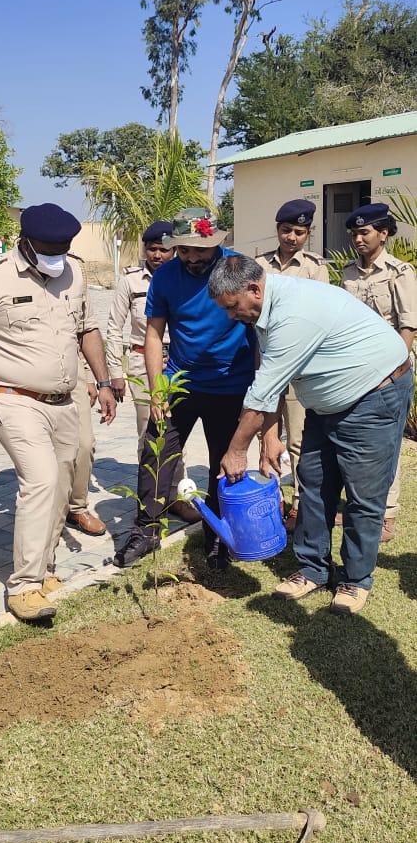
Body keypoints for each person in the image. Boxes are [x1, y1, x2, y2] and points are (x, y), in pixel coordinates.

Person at [208, 254, 413, 614]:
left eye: (232, 306)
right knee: (313, 483)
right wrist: (270, 436)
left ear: (254, 288)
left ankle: (355, 578)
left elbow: (262, 393)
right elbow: (268, 375)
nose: (230, 315)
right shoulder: (264, 307)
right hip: (327, 404)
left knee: (364, 494)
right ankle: (313, 568)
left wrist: (236, 451)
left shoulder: (293, 312)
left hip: (373, 395)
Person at [0, 203, 116, 622]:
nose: (57, 255)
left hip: (63, 400)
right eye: (50, 248)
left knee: (60, 486)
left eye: (64, 247)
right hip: (12, 397)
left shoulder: (73, 271)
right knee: (41, 481)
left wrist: (105, 380)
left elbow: (88, 328)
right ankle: (24, 586)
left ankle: (44, 570)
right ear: (26, 240)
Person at [113, 208, 256, 570]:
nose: (191, 258)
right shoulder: (165, 278)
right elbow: (153, 334)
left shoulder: (239, 270)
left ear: (215, 244)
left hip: (230, 384)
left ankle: (219, 538)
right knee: (156, 453)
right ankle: (146, 531)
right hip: (179, 382)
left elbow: (259, 330)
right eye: (183, 250)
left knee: (224, 463)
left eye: (199, 250)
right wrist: (158, 388)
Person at [106, 219, 198, 525]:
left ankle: (176, 497)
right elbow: (113, 328)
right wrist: (114, 372)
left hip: (181, 363)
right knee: (151, 432)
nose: (157, 255)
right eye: (152, 248)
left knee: (177, 433)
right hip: (142, 363)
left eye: (163, 249)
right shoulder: (130, 280)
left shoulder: (186, 276)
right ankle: (152, 501)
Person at [341, 202, 417, 542]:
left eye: (365, 232)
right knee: (357, 441)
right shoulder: (348, 273)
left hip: (391, 369)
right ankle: (361, 505)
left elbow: (408, 326)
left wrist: (390, 370)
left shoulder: (400, 272)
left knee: (388, 442)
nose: (358, 238)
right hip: (355, 369)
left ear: (383, 233)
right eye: (355, 233)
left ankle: (387, 513)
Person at [256, 199, 329, 533]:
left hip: (300, 367)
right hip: (265, 362)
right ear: (277, 230)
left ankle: (300, 504)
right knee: (266, 434)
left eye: (299, 232)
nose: (292, 238)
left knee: (299, 439)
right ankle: (273, 498)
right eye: (287, 230)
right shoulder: (258, 266)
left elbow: (320, 314)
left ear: (308, 234)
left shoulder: (315, 267)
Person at [65, 352, 106, 536]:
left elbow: (83, 333)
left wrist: (89, 376)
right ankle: (50, 512)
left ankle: (77, 508)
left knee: (85, 443)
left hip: (73, 371)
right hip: (32, 373)